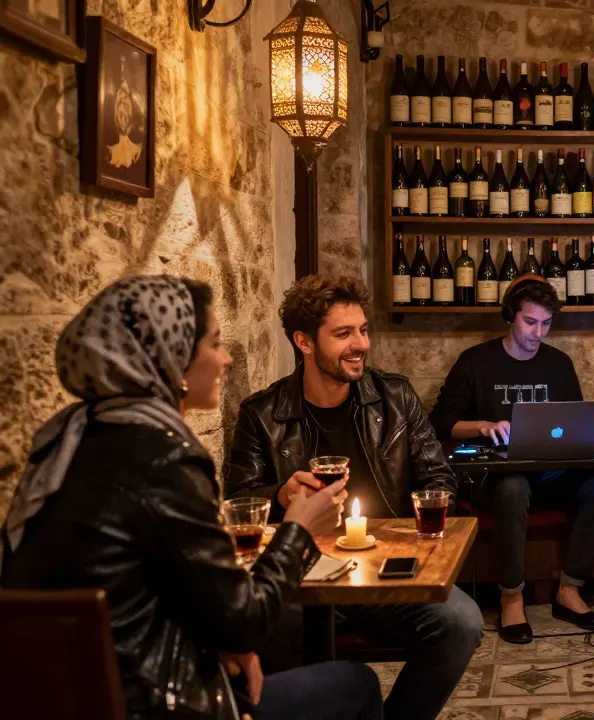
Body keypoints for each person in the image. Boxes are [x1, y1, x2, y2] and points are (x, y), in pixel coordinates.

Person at [1, 275, 383, 720]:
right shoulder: (164, 457)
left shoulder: (71, 437)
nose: (225, 359)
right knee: (355, 684)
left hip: (68, 698)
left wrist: (217, 640)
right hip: (155, 701)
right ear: (172, 357)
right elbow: (246, 618)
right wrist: (298, 528)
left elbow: (154, 589)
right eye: (214, 343)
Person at [223, 275, 482, 720]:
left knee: (462, 623)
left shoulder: (395, 396)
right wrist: (282, 495)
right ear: (304, 341)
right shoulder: (261, 414)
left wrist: (415, 538)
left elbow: (438, 476)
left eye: (363, 330)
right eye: (343, 334)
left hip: (386, 570)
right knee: (270, 625)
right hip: (301, 576)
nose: (360, 343)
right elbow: (240, 501)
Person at [428, 275, 594, 644]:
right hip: (495, 477)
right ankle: (511, 595)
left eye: (546, 323)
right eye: (530, 322)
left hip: (547, 472)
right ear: (510, 316)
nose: (538, 332)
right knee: (514, 488)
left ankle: (569, 590)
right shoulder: (476, 362)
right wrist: (483, 425)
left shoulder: (558, 364)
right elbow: (439, 423)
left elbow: (572, 422)